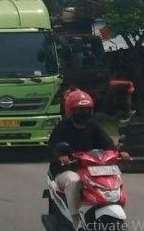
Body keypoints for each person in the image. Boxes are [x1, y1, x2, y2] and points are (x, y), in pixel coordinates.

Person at [48, 89, 131, 230]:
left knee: (111, 179)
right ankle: (76, 220)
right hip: (67, 169)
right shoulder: (63, 127)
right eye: (80, 110)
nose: (84, 113)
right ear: (71, 110)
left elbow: (108, 144)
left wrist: (120, 153)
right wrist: (61, 156)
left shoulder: (94, 127)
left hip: (90, 169)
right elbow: (54, 146)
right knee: (74, 181)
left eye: (87, 109)